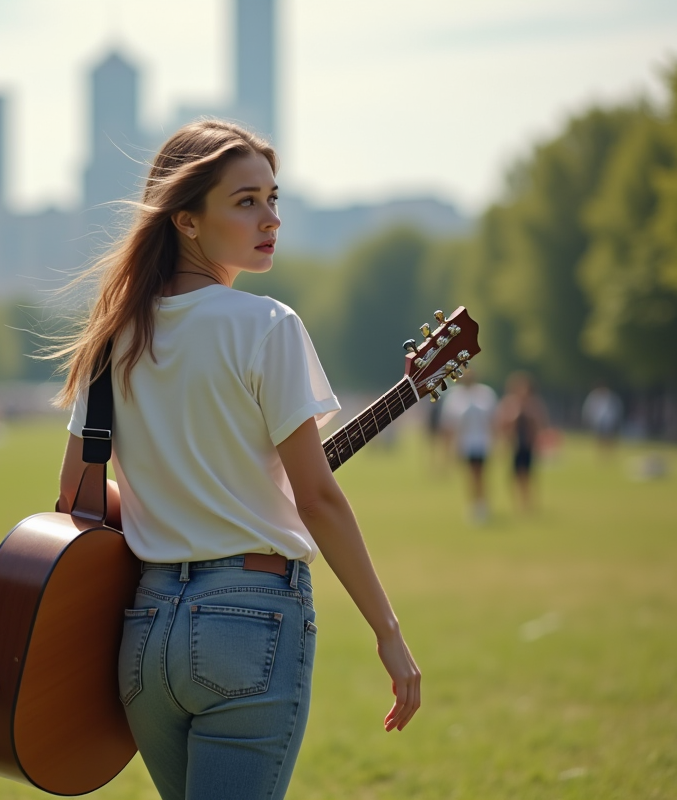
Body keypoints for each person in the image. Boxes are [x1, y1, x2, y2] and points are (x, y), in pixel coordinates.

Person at [52, 120, 421, 800]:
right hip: (248, 625)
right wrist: (388, 633)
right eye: (246, 201)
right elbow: (317, 500)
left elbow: (73, 496)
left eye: (273, 198)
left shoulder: (115, 336)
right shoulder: (267, 325)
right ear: (187, 221)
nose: (271, 218)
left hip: (143, 637)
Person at [441, 377, 498, 523]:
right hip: (465, 444)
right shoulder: (454, 397)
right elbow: (449, 425)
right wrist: (449, 448)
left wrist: (497, 442)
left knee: (480, 474)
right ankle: (474, 504)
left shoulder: (485, 394)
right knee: (470, 475)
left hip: (482, 442)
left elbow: (493, 421)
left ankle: (481, 504)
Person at [497, 371, 549, 512]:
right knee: (514, 476)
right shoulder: (510, 403)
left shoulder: (533, 404)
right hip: (515, 445)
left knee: (528, 474)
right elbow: (503, 423)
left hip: (528, 445)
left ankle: (528, 503)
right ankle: (518, 504)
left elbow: (540, 423)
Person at [582, 382, 623, 456]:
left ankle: (609, 453)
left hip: (608, 420)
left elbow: (616, 408)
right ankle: (601, 453)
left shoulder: (611, 396)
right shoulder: (594, 396)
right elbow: (589, 408)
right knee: (599, 437)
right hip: (598, 420)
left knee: (609, 437)